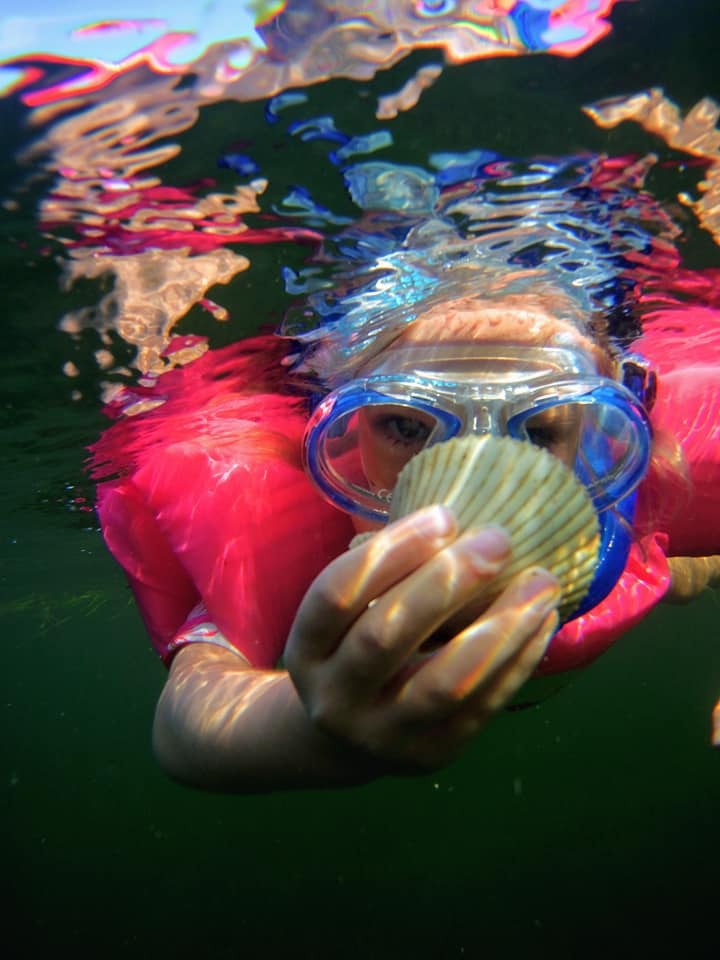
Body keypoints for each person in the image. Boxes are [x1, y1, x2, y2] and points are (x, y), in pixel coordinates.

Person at [91, 153, 720, 793]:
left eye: (539, 429)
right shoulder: (293, 544)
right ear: (338, 434)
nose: (474, 494)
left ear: (600, 434)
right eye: (408, 427)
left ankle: (688, 568)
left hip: (623, 566)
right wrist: (308, 732)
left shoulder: (621, 499)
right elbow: (186, 718)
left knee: (680, 567)